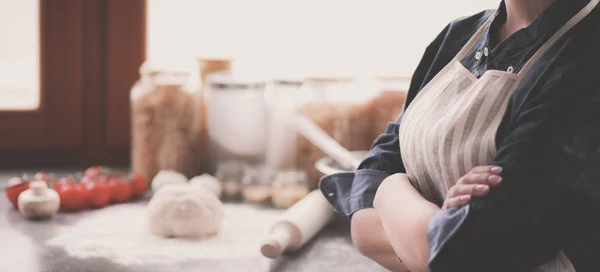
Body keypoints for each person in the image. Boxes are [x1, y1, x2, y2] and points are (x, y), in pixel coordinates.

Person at [319, 0, 600, 271]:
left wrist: (389, 194)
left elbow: (464, 250)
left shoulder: (586, 59)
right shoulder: (459, 35)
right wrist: (423, 224)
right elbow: (365, 220)